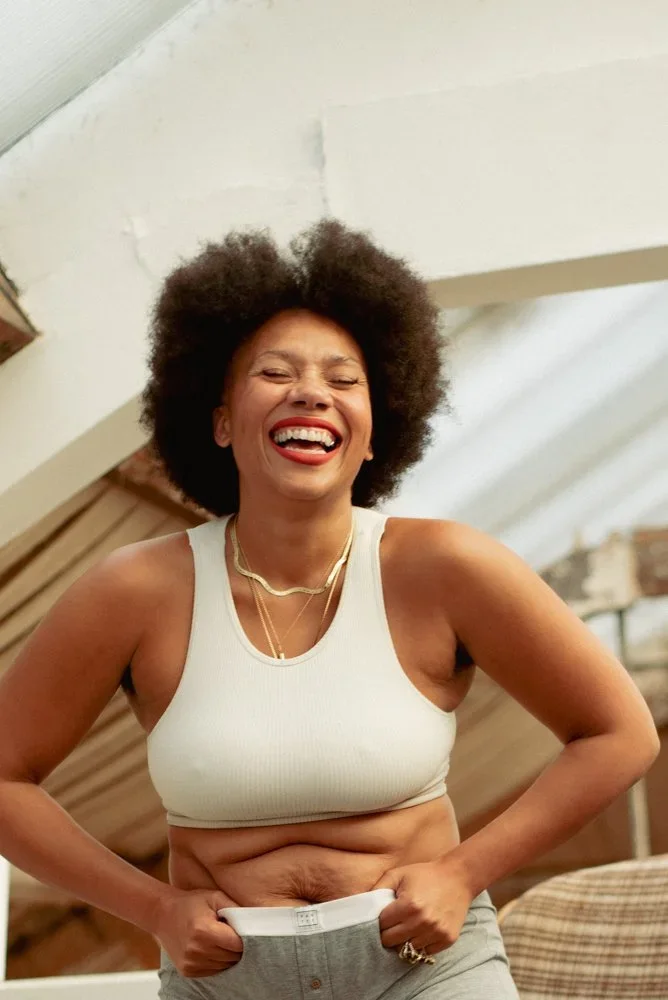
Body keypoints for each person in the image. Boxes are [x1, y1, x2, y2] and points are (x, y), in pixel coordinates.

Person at [0, 219, 659, 1000]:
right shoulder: (133, 591)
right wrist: (153, 908)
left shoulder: (447, 566)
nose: (312, 391)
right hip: (227, 978)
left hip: (426, 969)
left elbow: (620, 733)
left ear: (377, 430)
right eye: (275, 373)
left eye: (345, 380)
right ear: (217, 419)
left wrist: (462, 872)